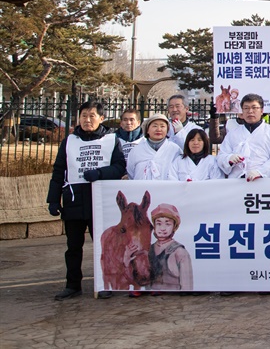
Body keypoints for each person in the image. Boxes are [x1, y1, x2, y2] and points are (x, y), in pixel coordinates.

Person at [47, 101, 126, 300]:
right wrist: (53, 200)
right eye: (84, 116)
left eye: (92, 116)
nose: (87, 120)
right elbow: (59, 171)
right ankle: (73, 285)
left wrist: (100, 173)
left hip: (100, 201)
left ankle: (105, 283)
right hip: (74, 200)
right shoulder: (69, 141)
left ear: (101, 118)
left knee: (103, 245)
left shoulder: (111, 140)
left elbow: (119, 167)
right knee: (73, 247)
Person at [217, 94, 270, 181]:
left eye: (254, 108)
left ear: (261, 110)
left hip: (264, 182)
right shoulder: (233, 133)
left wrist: (260, 172)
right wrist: (229, 159)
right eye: (246, 108)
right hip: (236, 183)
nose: (250, 111)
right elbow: (221, 156)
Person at [125, 204, 193, 291]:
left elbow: (187, 287)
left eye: (167, 224)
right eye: (159, 223)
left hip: (172, 301)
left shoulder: (179, 252)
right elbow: (135, 281)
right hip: (151, 302)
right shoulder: (148, 250)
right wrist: (127, 259)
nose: (162, 228)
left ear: (174, 227)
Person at [127, 114, 181, 181]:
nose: (158, 129)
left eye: (162, 126)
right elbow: (131, 173)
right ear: (147, 130)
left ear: (167, 130)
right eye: (155, 126)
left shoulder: (175, 149)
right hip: (141, 190)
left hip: (167, 190)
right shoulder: (136, 150)